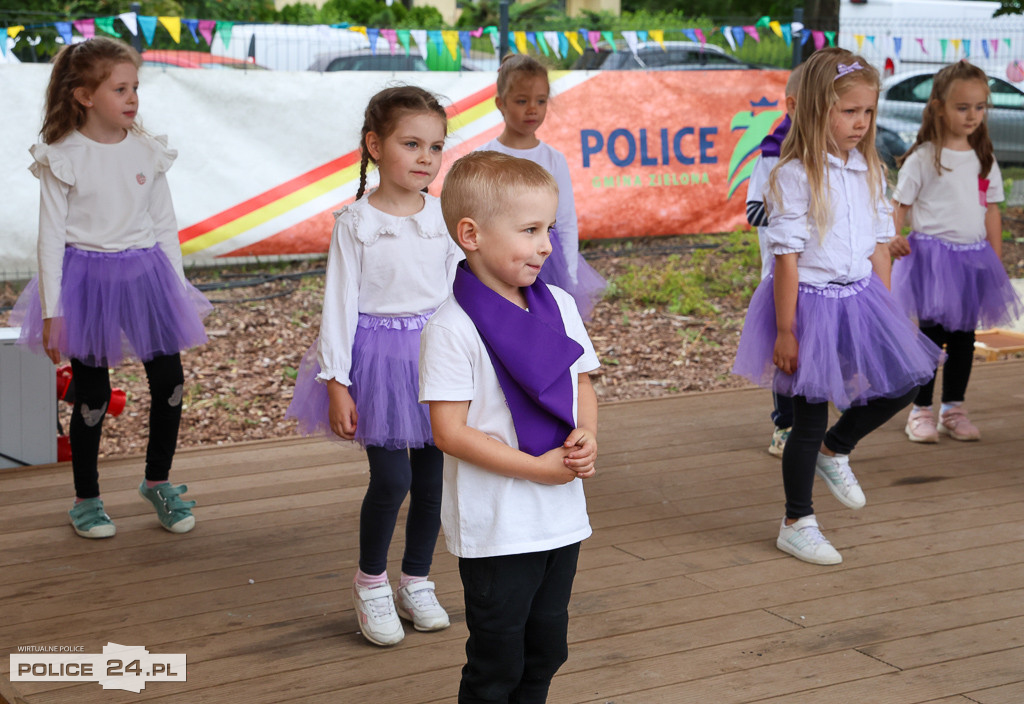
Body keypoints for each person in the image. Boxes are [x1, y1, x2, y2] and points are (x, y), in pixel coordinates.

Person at [732, 50, 942, 565]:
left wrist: (888, 315)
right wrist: (786, 330)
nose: (861, 123)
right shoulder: (793, 175)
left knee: (908, 380)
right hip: (807, 306)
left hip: (860, 298)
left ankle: (836, 448)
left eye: (867, 112)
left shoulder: (867, 167)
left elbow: (877, 245)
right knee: (806, 417)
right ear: (816, 111)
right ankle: (796, 521)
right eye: (849, 111)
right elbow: (787, 259)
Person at [10, 37, 209, 540]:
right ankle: (87, 498)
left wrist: (178, 288)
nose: (133, 98)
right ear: (83, 95)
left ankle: (157, 481)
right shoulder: (62, 156)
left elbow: (165, 225)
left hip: (147, 277)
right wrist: (54, 310)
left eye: (135, 87)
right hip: (85, 283)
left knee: (171, 383)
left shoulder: (147, 150)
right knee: (93, 393)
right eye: (120, 88)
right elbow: (51, 238)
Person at [420, 151, 599, 702]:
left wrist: (587, 434)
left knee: (547, 650)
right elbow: (448, 432)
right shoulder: (450, 328)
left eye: (548, 227)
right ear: (470, 234)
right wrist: (536, 471)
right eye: (529, 229)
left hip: (559, 517)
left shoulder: (561, 306)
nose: (546, 244)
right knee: (498, 660)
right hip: (498, 525)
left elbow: (582, 383)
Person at [285, 86, 461, 647]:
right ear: (375, 145)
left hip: (438, 360)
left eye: (435, 146)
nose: (425, 158)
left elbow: (463, 295)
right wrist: (337, 381)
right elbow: (338, 305)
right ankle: (371, 584)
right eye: (412, 144)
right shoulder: (355, 223)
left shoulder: (444, 217)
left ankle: (416, 579)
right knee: (392, 478)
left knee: (433, 479)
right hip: (380, 364)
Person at [889, 60, 1023, 443]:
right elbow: (900, 204)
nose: (972, 115)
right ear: (939, 107)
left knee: (964, 337)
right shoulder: (923, 157)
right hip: (930, 261)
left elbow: (992, 210)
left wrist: (993, 260)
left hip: (971, 259)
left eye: (980, 107)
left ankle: (954, 408)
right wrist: (893, 236)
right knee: (929, 338)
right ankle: (920, 411)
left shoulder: (984, 158)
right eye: (963, 107)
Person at [476, 54, 607, 320]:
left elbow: (566, 219)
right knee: (505, 319)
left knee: (545, 323)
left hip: (545, 259)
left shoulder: (553, 159)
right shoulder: (485, 156)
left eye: (541, 101)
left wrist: (569, 272)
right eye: (522, 101)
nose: (532, 109)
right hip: (500, 255)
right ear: (500, 103)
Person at [745, 60, 807, 459]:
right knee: (786, 348)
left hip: (823, 276)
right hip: (783, 271)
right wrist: (796, 215)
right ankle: (785, 425)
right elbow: (753, 211)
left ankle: (810, 423)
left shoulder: (835, 155)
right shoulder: (773, 154)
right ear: (793, 106)